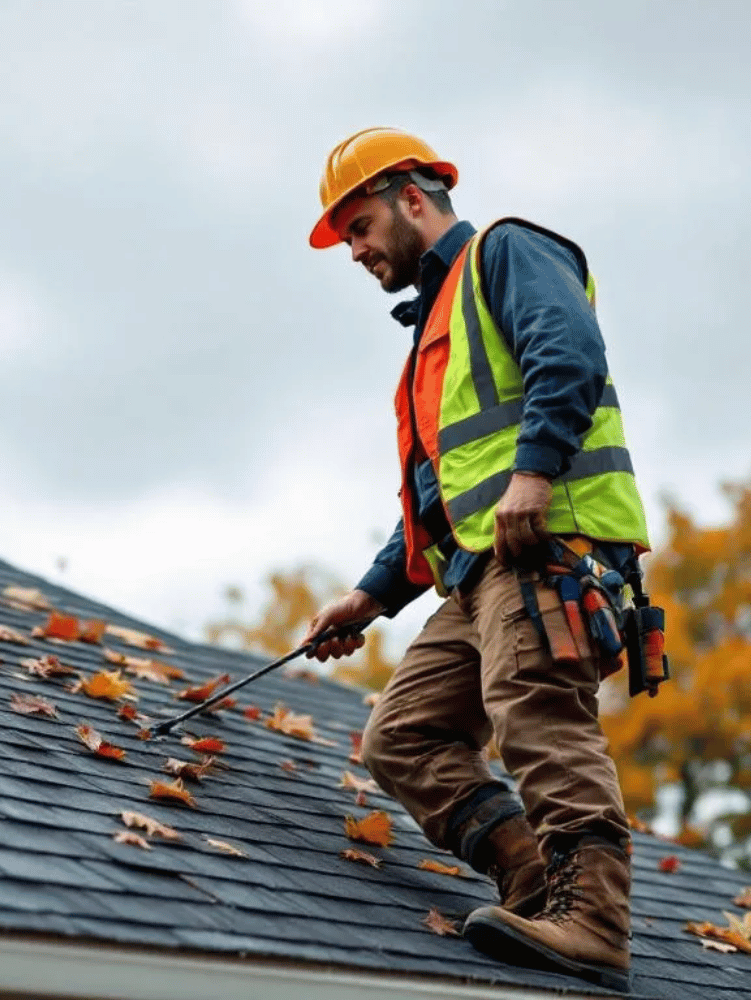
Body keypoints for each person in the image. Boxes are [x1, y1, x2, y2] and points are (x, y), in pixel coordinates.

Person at [301, 127, 650, 993]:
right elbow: (439, 501)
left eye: (358, 225)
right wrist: (370, 595)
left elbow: (568, 355)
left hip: (545, 543)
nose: (354, 250)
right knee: (403, 735)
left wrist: (534, 475)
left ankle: (596, 920)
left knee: (534, 709)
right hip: (477, 572)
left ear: (411, 198)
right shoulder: (430, 334)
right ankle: (539, 887)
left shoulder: (509, 253)